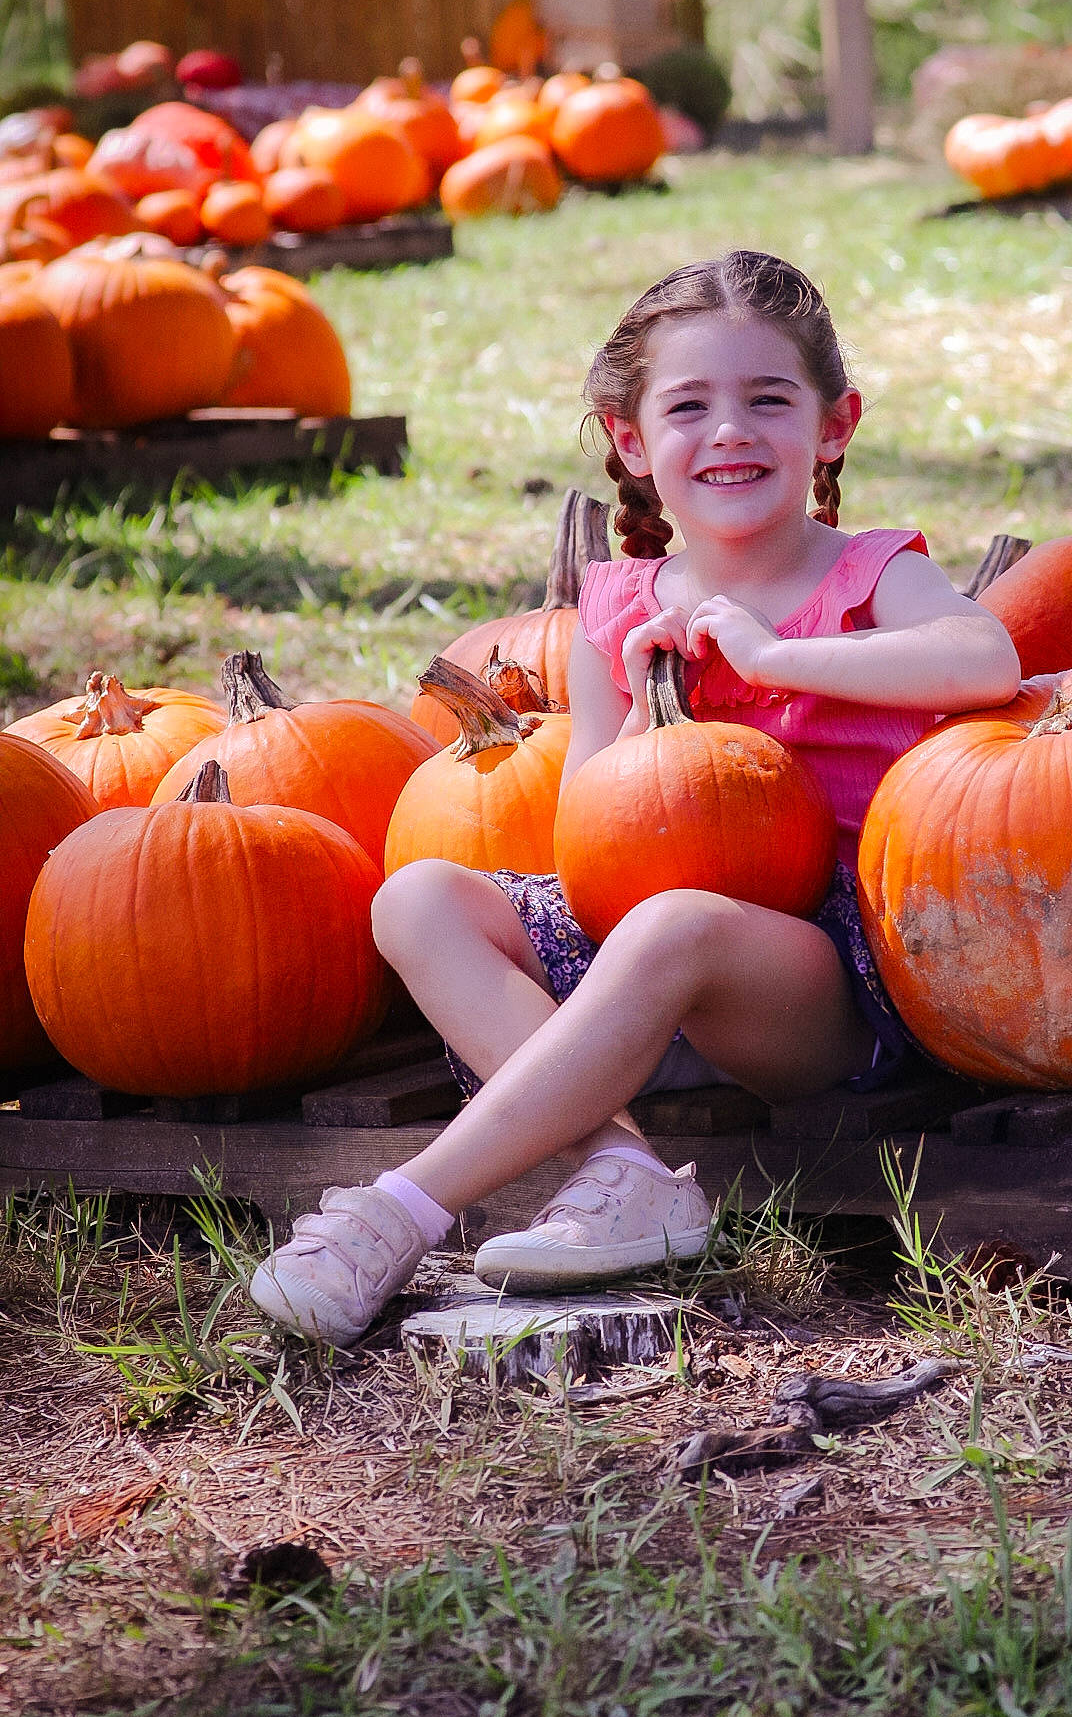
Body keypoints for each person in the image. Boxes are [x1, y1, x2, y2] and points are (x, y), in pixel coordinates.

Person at [250, 250, 1021, 1346]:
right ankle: (623, 1168)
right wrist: (661, 712)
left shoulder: (871, 576)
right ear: (630, 439)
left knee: (675, 925)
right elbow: (591, 837)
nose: (729, 432)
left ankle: (402, 1208)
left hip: (833, 974)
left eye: (767, 399)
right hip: (646, 954)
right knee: (417, 896)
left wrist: (771, 659)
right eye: (688, 405)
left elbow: (980, 659)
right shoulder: (620, 611)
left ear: (832, 425)